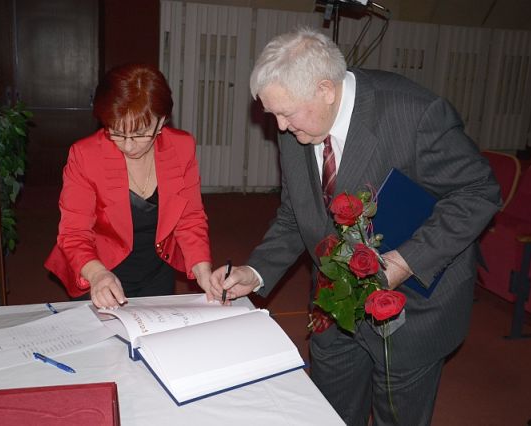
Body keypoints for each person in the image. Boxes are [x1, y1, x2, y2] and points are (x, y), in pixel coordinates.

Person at [208, 27, 501, 426]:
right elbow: (297, 213)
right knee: (330, 414)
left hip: (414, 309)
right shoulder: (298, 121)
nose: (279, 127)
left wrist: (404, 261)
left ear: (325, 90)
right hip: (334, 306)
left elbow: (478, 191)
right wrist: (255, 271)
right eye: (272, 113)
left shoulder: (414, 114)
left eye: (285, 113)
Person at [45, 63, 212, 309]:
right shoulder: (85, 155)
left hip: (157, 267)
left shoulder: (182, 147)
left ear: (162, 121)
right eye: (117, 132)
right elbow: (74, 232)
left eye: (141, 133)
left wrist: (202, 269)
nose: (129, 145)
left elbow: (190, 218)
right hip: (99, 268)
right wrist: (97, 274)